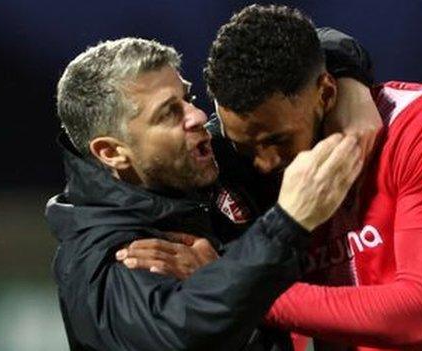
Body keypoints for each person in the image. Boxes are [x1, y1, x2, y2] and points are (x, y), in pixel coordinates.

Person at [124, 5, 422, 350]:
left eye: (277, 139)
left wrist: (230, 287)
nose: (264, 163)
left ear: (327, 93)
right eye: (246, 146)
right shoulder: (245, 163)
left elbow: (420, 318)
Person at [46, 30, 374, 350]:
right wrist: (284, 225)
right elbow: (180, 333)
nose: (198, 115)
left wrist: (349, 89)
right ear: (112, 152)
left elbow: (298, 46)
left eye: (186, 98)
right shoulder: (100, 258)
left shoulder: (207, 162)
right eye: (168, 113)